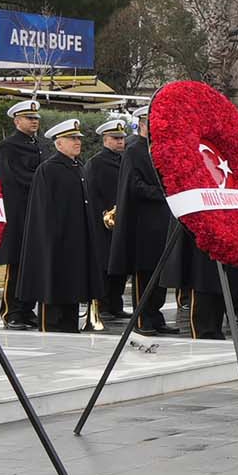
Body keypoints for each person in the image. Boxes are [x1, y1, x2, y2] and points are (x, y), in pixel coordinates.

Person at [14, 118, 106, 333]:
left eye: (78, 138)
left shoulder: (78, 168)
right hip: (56, 242)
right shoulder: (49, 170)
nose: (77, 142)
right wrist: (51, 242)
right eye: (71, 138)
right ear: (58, 143)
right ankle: (53, 329)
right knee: (54, 290)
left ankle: (70, 328)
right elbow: (43, 211)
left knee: (72, 290)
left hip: (76, 241)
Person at [103, 117, 179, 339]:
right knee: (145, 273)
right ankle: (143, 318)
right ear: (143, 125)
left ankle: (156, 317)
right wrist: (162, 194)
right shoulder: (134, 150)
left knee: (159, 273)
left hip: (161, 219)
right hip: (143, 222)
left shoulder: (158, 148)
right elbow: (134, 185)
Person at [0, 98, 47, 327]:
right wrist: (41, 182)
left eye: (36, 118)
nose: (34, 122)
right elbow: (10, 178)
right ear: (17, 121)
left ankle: (27, 308)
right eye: (29, 118)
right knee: (16, 264)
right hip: (19, 212)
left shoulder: (41, 145)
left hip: (38, 212)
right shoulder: (9, 146)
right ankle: (11, 311)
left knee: (34, 263)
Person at [85, 117, 132, 324]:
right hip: (104, 221)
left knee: (120, 265)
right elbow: (91, 193)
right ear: (105, 139)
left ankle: (116, 304)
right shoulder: (96, 163)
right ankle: (103, 304)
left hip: (123, 218)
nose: (120, 142)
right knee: (105, 265)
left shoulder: (125, 160)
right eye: (115, 138)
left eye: (122, 138)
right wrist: (103, 215)